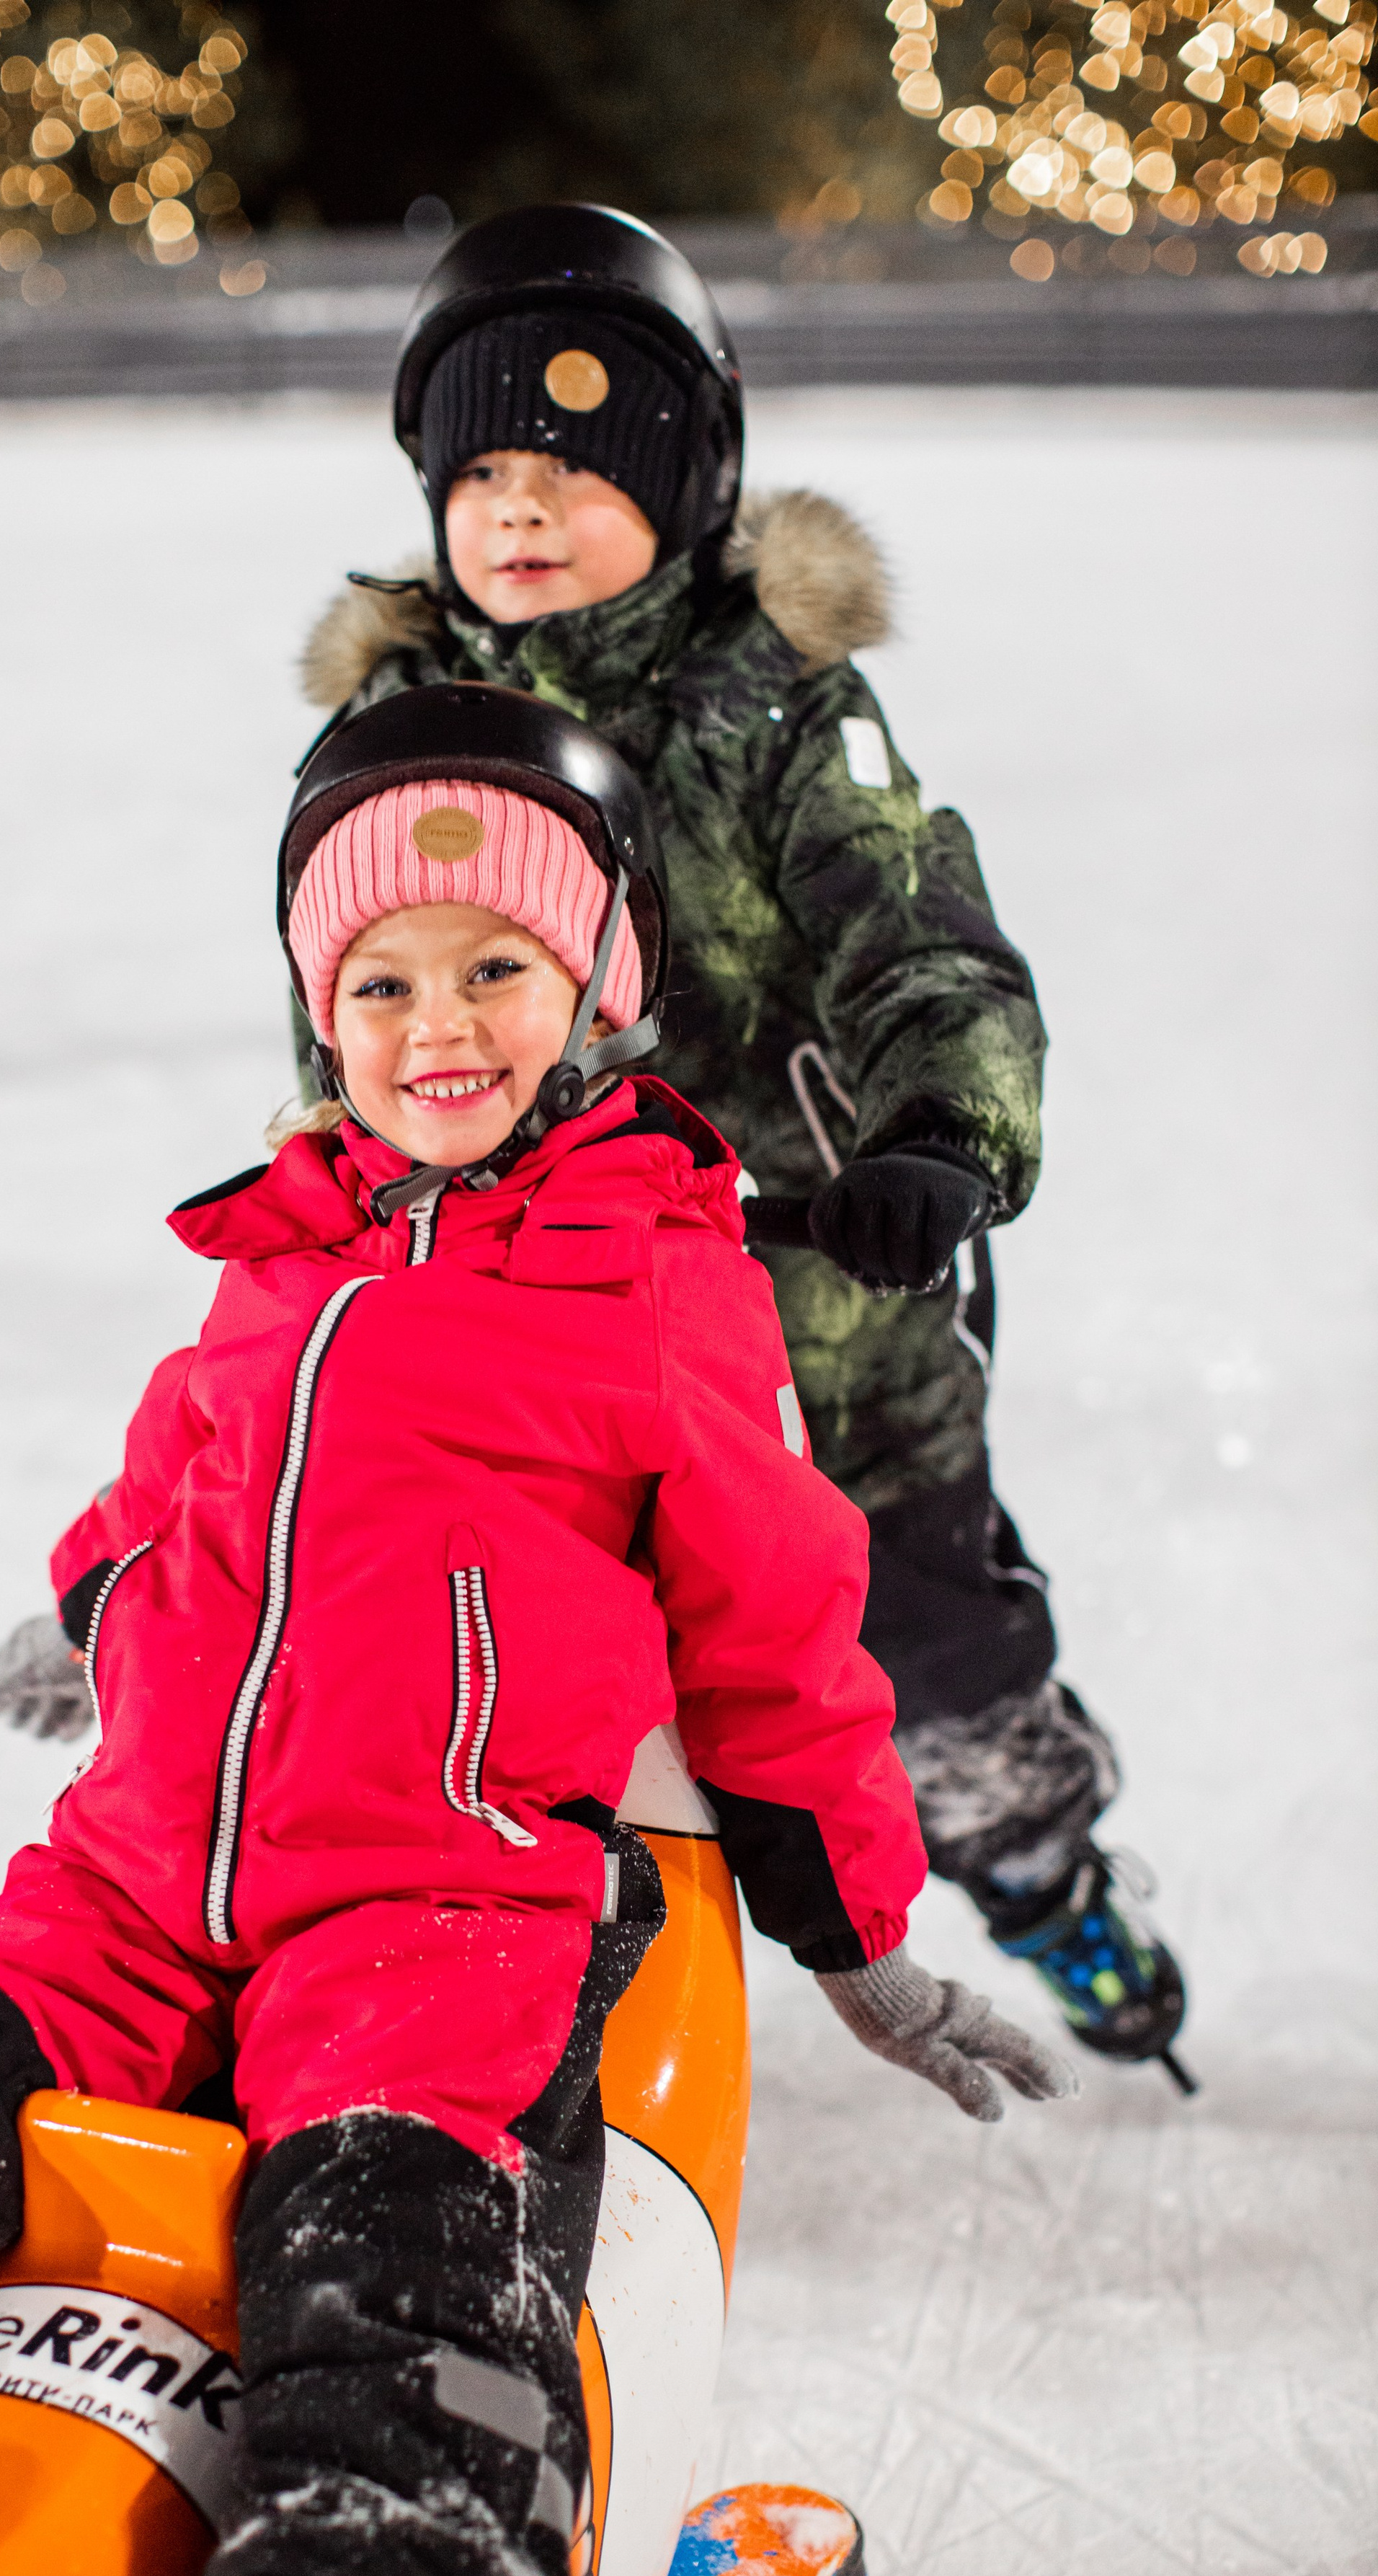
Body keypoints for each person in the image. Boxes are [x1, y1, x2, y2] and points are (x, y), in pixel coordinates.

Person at [0, 689, 1075, 2576]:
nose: (438, 1025)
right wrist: (94, 1601)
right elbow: (186, 1469)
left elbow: (778, 1633)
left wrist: (860, 1942)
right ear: (320, 1009)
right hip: (130, 1881)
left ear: (602, 987)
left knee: (403, 2245)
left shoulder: (659, 1283)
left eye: (497, 969)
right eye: (381, 981)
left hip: (438, 1904)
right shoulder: (284, 1238)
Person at [279, 203, 1191, 2084]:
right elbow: (348, 1011)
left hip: (816, 1319)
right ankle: (476, 1988)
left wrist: (937, 1128)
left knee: (921, 1662)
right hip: (530, 1329)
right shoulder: (404, 724)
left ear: (690, 487)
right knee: (482, 1653)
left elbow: (922, 941)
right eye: (482, 475)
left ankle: (1039, 1868)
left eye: (577, 470)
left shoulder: (778, 709)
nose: (521, 510)